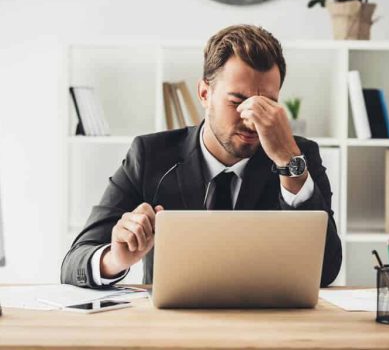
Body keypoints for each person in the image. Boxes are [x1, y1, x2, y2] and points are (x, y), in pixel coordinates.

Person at [61, 24, 342, 289]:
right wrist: (116, 259)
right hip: (174, 330)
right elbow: (73, 263)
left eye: (267, 105)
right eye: (237, 102)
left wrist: (288, 163)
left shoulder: (299, 157)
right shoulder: (150, 155)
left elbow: (326, 271)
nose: (252, 120)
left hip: (267, 327)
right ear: (205, 93)